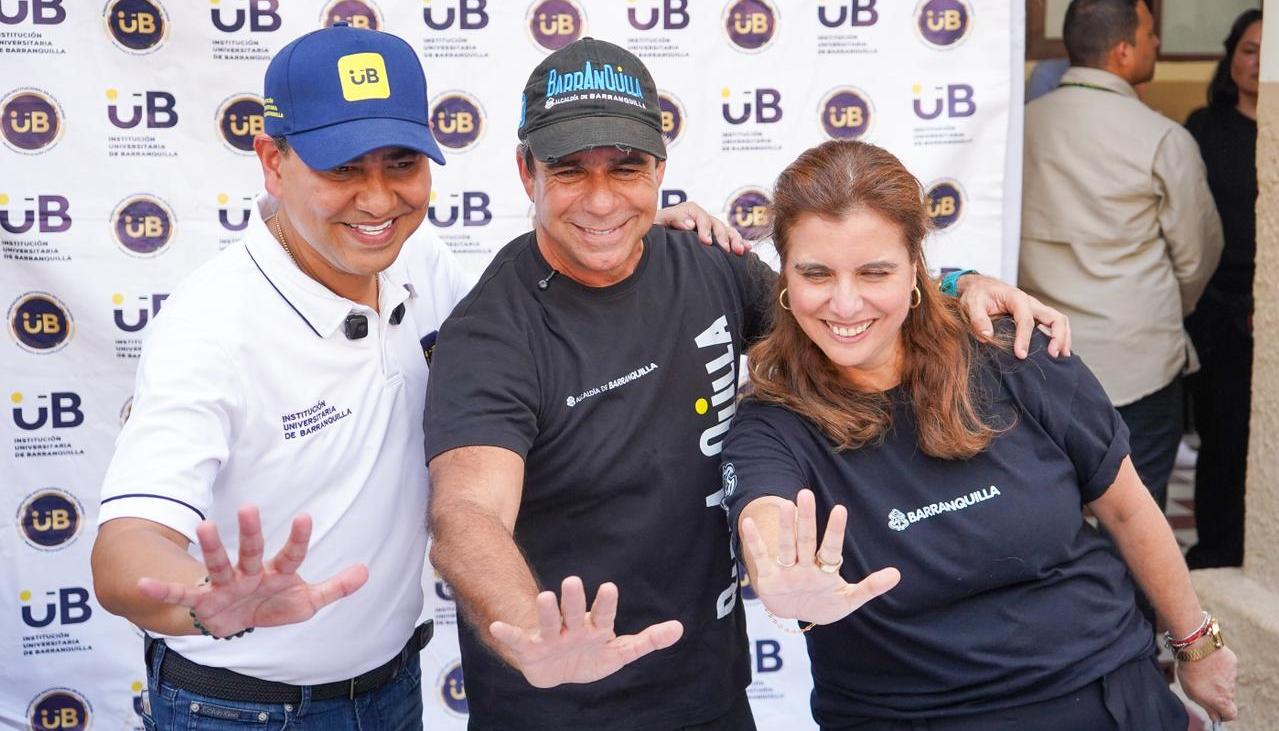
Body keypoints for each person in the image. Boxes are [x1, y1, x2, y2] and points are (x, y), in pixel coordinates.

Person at [88, 25, 731, 730]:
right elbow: (124, 551)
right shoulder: (209, 328)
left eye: (400, 163)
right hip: (240, 707)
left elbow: (543, 311)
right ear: (273, 161)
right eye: (342, 168)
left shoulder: (417, 259)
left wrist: (638, 233)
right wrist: (204, 599)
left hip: (395, 688)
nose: (377, 200)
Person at [424, 37, 1073, 730]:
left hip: (712, 694)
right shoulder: (491, 333)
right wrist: (533, 633)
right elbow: (465, 513)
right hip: (558, 706)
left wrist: (958, 283)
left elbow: (834, 314)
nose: (602, 199)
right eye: (569, 171)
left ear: (659, 169)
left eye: (626, 168)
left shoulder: (706, 262)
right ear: (526, 173)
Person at [723, 139, 1238, 730]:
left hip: (1106, 694)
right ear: (784, 278)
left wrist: (1198, 645)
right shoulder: (771, 423)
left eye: (874, 272)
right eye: (816, 273)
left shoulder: (1014, 352)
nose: (845, 303)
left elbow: (1126, 508)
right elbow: (765, 519)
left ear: (915, 270)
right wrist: (783, 584)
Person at [1019, 0, 1223, 513]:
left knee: (1052, 515)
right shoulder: (1162, 138)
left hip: (1039, 361)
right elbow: (1198, 257)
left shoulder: (1018, 130)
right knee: (1136, 520)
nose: (1158, 43)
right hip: (1139, 363)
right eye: (1150, 33)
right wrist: (1166, 309)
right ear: (1124, 51)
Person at [1182, 9, 1262, 570]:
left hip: (1269, 304)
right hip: (1216, 306)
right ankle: (1215, 554)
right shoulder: (1203, 127)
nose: (1256, 63)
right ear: (1231, 56)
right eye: (1248, 50)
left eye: (1267, 53)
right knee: (1222, 437)